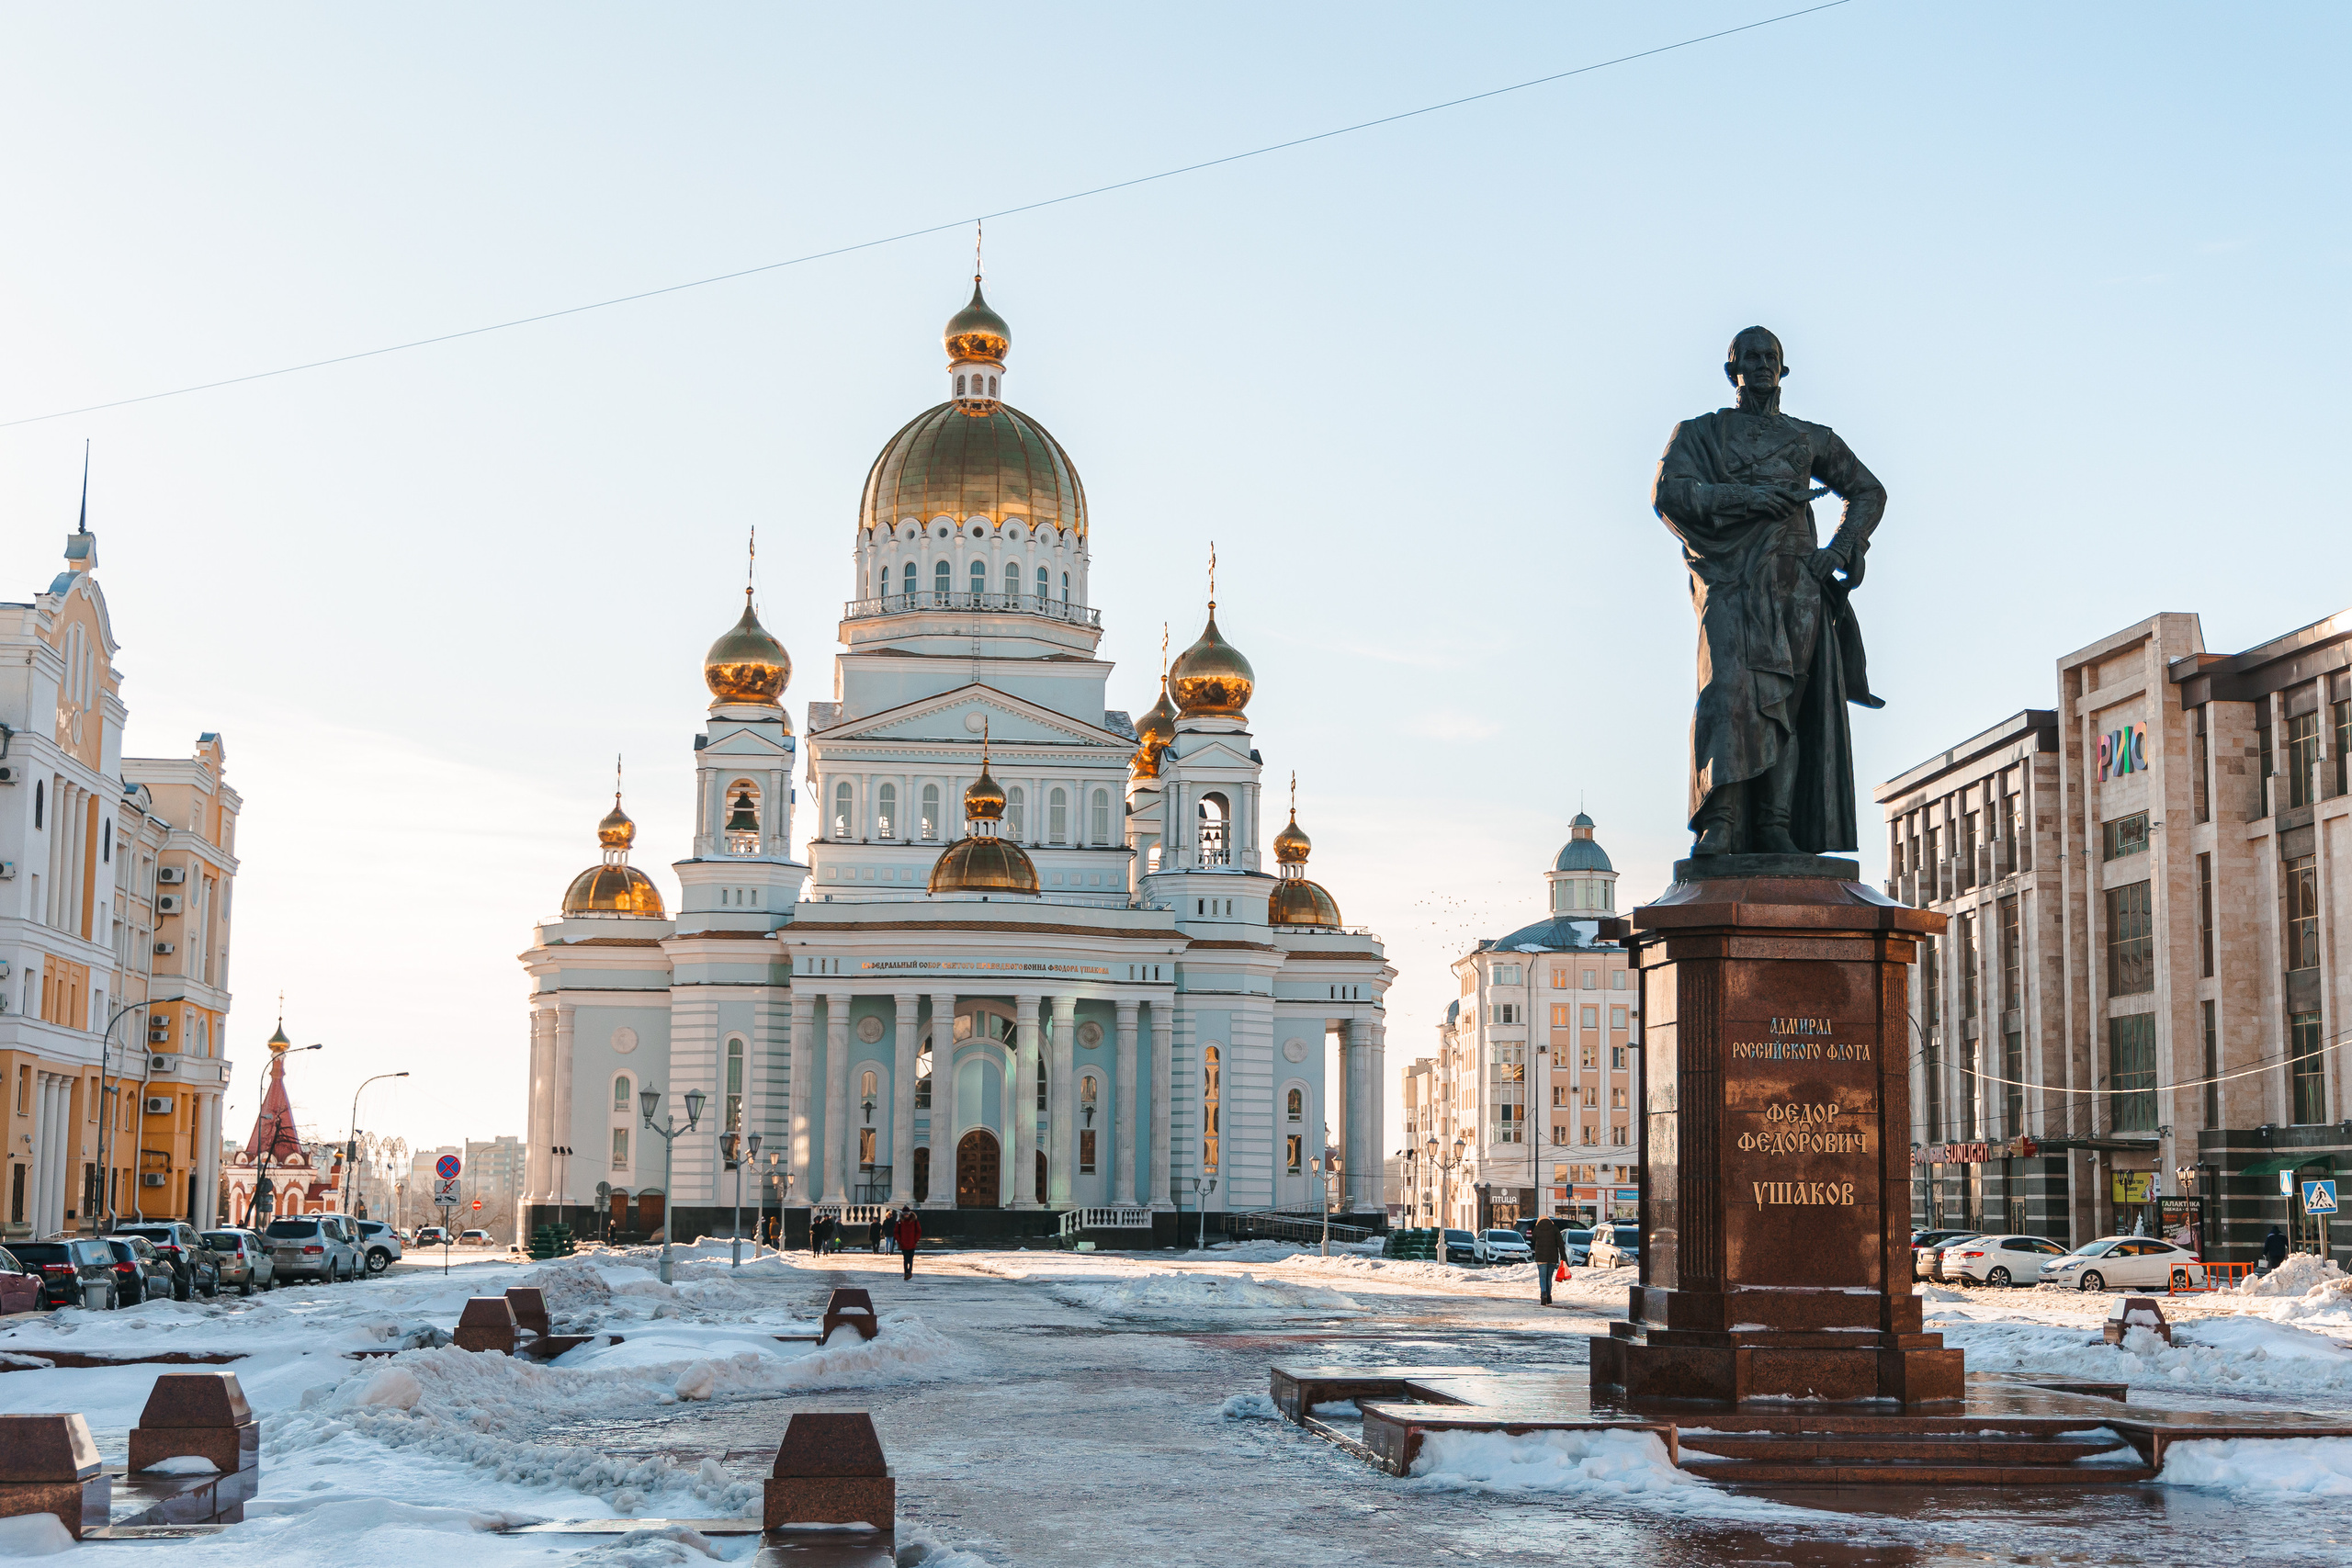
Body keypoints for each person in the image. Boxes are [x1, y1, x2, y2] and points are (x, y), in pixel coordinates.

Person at [1652, 326, 1888, 856]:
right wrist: (1747, 497)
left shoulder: (1810, 438)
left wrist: (1839, 549)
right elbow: (1670, 493)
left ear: (1783, 369)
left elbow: (1869, 491)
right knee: (1727, 693)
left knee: (1786, 703)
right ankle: (1721, 821)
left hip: (1795, 582)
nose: (1761, 365)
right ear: (1731, 370)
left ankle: (1775, 824)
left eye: (1770, 357)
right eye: (1750, 357)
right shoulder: (1700, 433)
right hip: (1730, 579)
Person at [1528, 1214, 1563, 1307]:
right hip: (1552, 1257)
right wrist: (1563, 1258)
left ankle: (1543, 1294)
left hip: (1541, 1257)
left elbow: (1533, 1239)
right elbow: (1560, 1244)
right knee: (1549, 1278)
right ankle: (1549, 1296)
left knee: (1542, 1277)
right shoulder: (1555, 1229)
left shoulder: (1537, 1229)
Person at [896, 1207, 922, 1280]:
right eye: (905, 1214)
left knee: (910, 1258)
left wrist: (915, 1240)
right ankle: (906, 1272)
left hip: (912, 1243)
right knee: (906, 1258)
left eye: (907, 1213)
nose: (906, 1215)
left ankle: (909, 1271)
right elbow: (896, 1232)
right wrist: (900, 1240)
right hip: (903, 1243)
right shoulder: (900, 1222)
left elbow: (918, 1231)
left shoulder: (915, 1221)